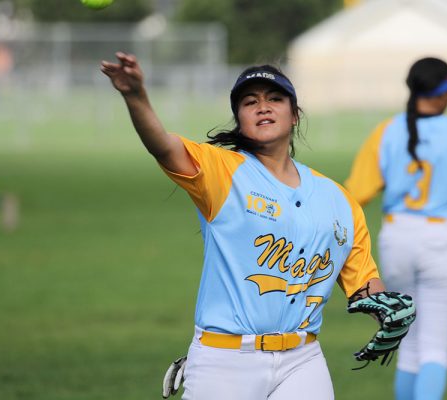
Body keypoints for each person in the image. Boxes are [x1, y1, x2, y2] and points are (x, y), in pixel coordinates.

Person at [101, 52, 414, 400]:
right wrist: (135, 97)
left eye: (275, 99)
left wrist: (389, 309)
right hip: (225, 360)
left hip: (302, 360)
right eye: (250, 102)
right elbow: (162, 146)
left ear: (294, 115)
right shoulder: (222, 171)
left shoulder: (338, 199)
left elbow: (362, 285)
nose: (263, 107)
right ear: (239, 120)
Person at [344, 57, 447, 400]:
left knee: (409, 344)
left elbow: (356, 192)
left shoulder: (387, 131)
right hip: (442, 237)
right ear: (443, 92)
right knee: (435, 348)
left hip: (396, 236)